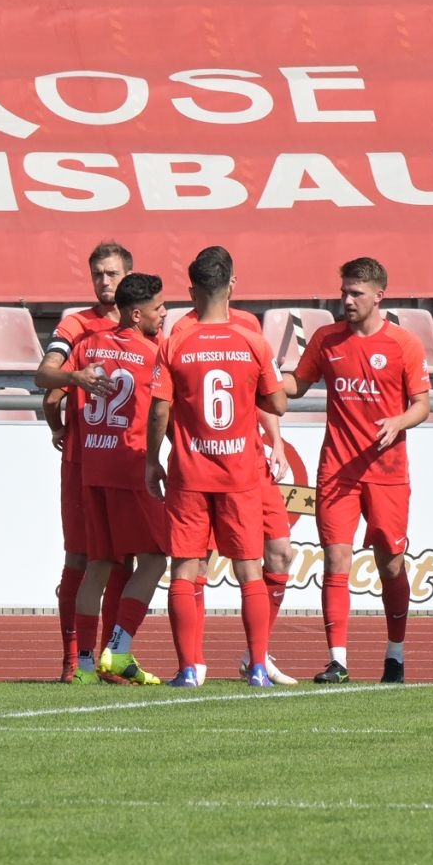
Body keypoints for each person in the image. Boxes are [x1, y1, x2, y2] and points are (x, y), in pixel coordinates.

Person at [283, 257, 433, 686]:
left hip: (387, 472)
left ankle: (395, 654)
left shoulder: (403, 344)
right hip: (338, 471)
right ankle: (338, 661)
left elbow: (422, 404)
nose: (347, 300)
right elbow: (297, 385)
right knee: (336, 559)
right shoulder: (326, 339)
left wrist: (398, 422)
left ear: (379, 296)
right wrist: (263, 379)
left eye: (356, 293)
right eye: (344, 292)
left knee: (391, 564)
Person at [146, 247, 288, 687]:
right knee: (249, 570)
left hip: (190, 473)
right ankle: (258, 667)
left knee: (185, 570)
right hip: (240, 474)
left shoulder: (175, 342)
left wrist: (152, 460)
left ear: (192, 291)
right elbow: (278, 403)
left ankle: (189, 669)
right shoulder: (253, 341)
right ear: (232, 286)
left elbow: (159, 410)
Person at [36, 271, 171, 685]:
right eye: (158, 308)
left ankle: (83, 665)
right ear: (136, 314)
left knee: (98, 563)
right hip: (131, 467)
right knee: (154, 558)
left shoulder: (87, 345)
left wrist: (58, 428)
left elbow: (50, 394)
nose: (164, 313)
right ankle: (119, 646)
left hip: (92, 469)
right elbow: (163, 410)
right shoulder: (154, 353)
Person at [37, 242, 133, 681]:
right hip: (86, 462)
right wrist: (71, 384)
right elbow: (45, 379)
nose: (104, 281)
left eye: (112, 274)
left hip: (123, 461)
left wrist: (57, 420)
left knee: (119, 560)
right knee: (80, 557)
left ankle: (105, 658)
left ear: (127, 275)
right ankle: (75, 658)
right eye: (98, 274)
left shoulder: (143, 323)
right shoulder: (76, 324)